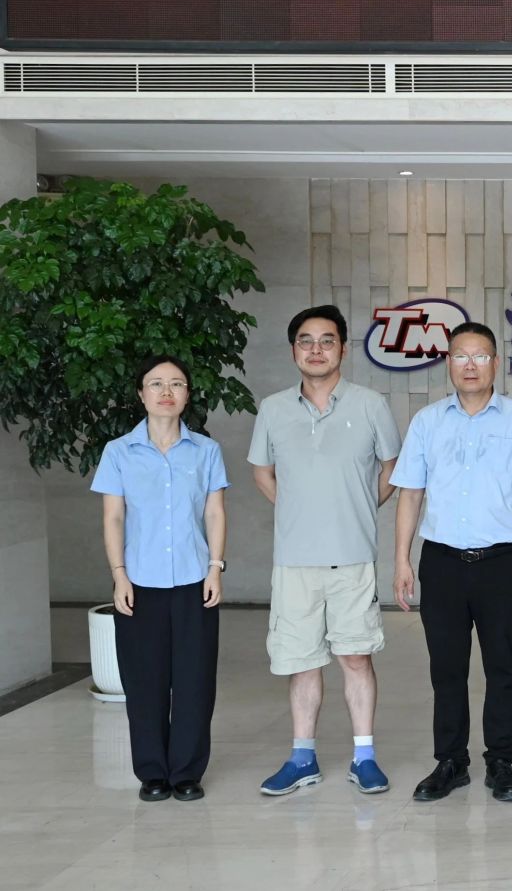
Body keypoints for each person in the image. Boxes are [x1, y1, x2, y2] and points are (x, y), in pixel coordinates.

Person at [391, 321, 512, 803]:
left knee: (502, 666)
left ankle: (501, 761)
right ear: (448, 362)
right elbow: (410, 495)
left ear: (495, 364)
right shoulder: (427, 422)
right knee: (446, 668)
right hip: (441, 562)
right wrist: (402, 560)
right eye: (460, 356)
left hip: (502, 562)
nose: (470, 365)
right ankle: (451, 761)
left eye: (480, 356)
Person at [250, 305, 401, 797]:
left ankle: (365, 757)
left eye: (327, 340)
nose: (316, 350)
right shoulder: (273, 408)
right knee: (302, 661)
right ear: (293, 349)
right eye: (306, 341)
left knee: (355, 657)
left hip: (352, 557)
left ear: (343, 348)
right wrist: (299, 510)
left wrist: (357, 508)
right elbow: (262, 472)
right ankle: (302, 758)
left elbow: (392, 469)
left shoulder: (370, 404)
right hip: (294, 560)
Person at [92, 355, 228, 802]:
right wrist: (119, 576)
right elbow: (113, 518)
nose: (166, 392)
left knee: (194, 680)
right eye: (156, 383)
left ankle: (186, 772)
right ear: (141, 394)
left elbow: (214, 512)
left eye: (176, 383)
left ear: (187, 394)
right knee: (144, 681)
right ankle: (152, 772)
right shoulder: (118, 452)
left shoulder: (206, 451)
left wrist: (215, 567)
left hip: (194, 581)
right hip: (139, 584)